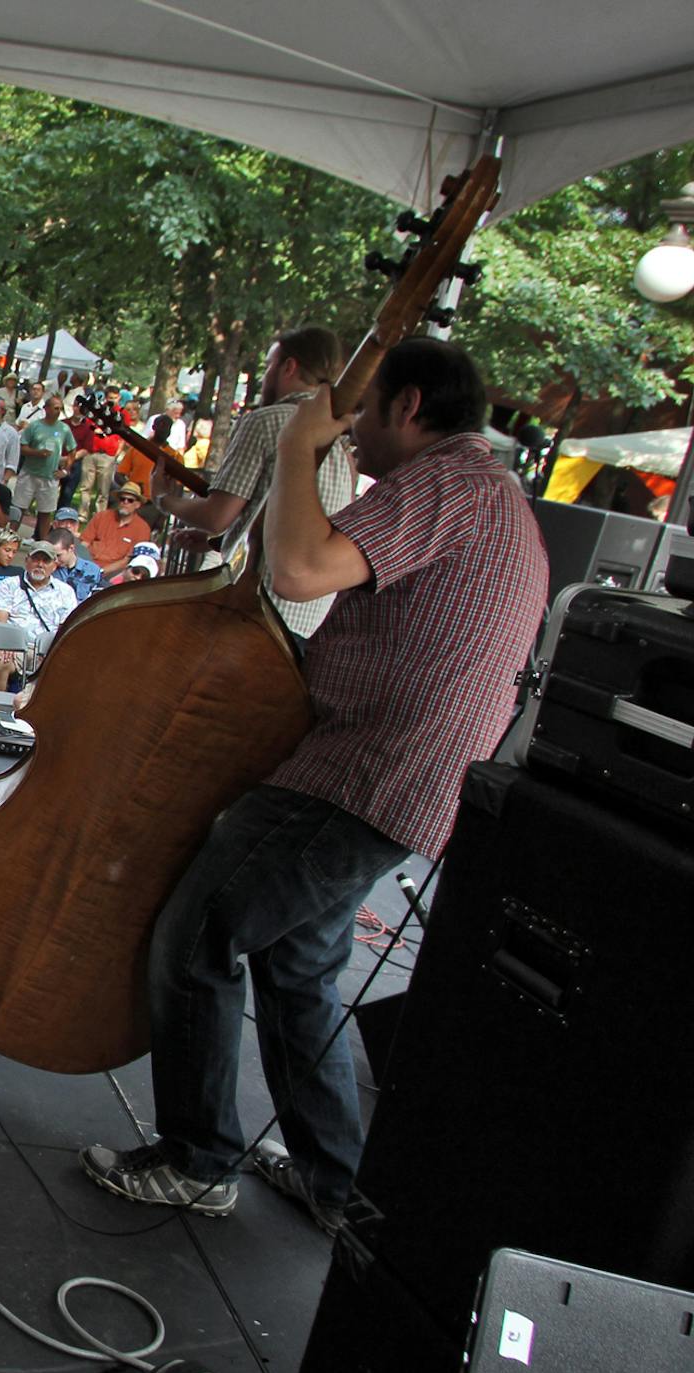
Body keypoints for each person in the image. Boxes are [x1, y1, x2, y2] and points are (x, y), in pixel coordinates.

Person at [81, 337, 548, 1232]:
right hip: (407, 782)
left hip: (362, 774)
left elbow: (298, 569)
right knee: (299, 965)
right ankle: (338, 1184)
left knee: (198, 934)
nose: (352, 438)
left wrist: (296, 446)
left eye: (362, 416)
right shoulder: (494, 494)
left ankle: (197, 1160)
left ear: (407, 406)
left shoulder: (446, 481)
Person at [156, 326, 358, 639]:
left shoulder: (266, 420)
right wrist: (221, 542)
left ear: (288, 367)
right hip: (306, 622)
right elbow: (289, 520)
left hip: (254, 608)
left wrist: (163, 499)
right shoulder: (345, 446)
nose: (265, 378)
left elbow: (217, 514)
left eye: (268, 368)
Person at [0, 540, 79, 692]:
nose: (40, 564)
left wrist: (51, 653)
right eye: (35, 559)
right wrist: (7, 644)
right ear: (27, 561)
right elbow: (2, 620)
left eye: (45, 560)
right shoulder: (10, 584)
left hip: (47, 650)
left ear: (54, 565)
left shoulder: (65, 592)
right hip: (13, 646)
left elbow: (65, 628)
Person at [15, 393, 74, 539]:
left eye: (60, 409)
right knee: (19, 508)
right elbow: (22, 447)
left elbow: (72, 449)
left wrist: (65, 470)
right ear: (46, 408)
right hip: (29, 474)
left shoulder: (64, 429)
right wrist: (37, 453)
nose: (58, 411)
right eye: (55, 408)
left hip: (50, 477)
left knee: (45, 512)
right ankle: (9, 538)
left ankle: (43, 542)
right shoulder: (34, 426)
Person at [79, 481, 154, 578]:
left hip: (114, 574)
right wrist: (82, 565)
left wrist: (100, 572)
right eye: (122, 499)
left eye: (130, 500)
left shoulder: (142, 529)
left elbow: (126, 561)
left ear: (137, 505)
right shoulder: (101, 516)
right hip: (86, 563)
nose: (125, 502)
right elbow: (84, 543)